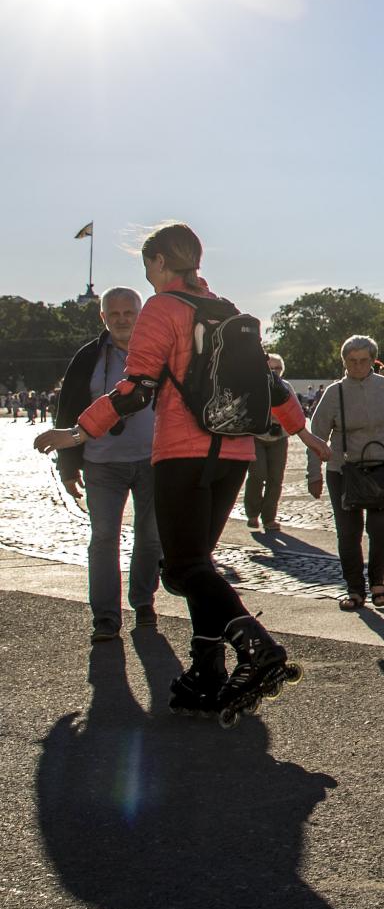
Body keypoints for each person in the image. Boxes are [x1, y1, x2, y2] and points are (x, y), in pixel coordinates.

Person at [34, 222, 329, 717]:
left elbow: (137, 390)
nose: (148, 276)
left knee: (182, 566)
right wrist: (302, 432)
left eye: (148, 266)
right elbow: (270, 385)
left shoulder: (162, 309)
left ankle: (258, 649)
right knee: (197, 562)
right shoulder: (226, 310)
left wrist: (79, 433)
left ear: (159, 263)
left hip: (183, 452)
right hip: (235, 453)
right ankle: (205, 668)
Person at [51, 287, 163, 642]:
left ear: (140, 314)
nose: (121, 319)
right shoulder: (89, 357)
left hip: (152, 460)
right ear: (103, 317)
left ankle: (143, 601)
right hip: (101, 463)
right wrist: (68, 467)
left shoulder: (160, 353)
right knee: (103, 539)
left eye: (128, 312)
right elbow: (68, 411)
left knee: (149, 538)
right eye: (113, 314)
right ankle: (106, 617)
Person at [308, 335, 384, 611]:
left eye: (363, 361)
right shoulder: (335, 393)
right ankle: (354, 588)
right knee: (348, 532)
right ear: (344, 362)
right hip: (344, 471)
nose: (357, 366)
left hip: (383, 469)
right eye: (351, 361)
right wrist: (313, 474)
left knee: (381, 530)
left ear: (372, 361)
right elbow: (315, 436)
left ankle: (377, 581)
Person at [243, 354, 291, 532]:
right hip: (257, 437)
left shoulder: (286, 388)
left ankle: (269, 518)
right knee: (257, 474)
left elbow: (295, 412)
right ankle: (253, 513)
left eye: (278, 368)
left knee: (275, 478)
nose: (274, 372)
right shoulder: (255, 387)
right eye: (271, 368)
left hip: (279, 438)